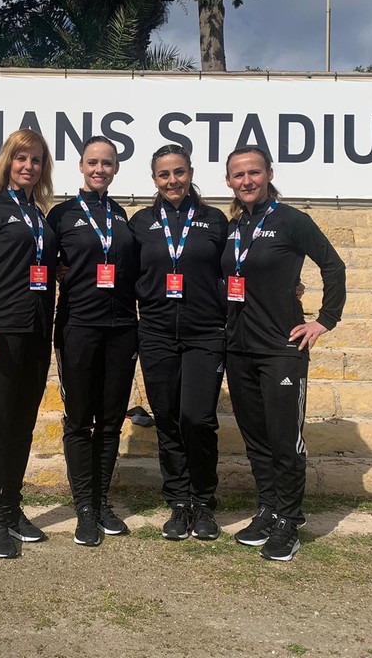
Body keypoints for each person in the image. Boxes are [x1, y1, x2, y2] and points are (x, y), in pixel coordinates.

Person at [222, 145, 346, 562]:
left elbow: (333, 265)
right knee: (256, 440)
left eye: (254, 172)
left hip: (281, 349)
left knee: (284, 440)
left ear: (269, 174)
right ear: (229, 182)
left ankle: (290, 521)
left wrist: (324, 320)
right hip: (238, 349)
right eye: (238, 175)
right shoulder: (233, 227)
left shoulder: (292, 221)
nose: (247, 181)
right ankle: (268, 510)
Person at [0, 128, 57, 559]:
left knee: (21, 427)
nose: (29, 166)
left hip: (36, 336)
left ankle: (12, 506)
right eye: (22, 158)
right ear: (8, 162)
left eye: (36, 160)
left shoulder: (40, 215)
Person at [130, 144, 228, 541]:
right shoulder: (140, 223)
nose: (173, 181)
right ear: (154, 179)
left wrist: (289, 286)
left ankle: (203, 501)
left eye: (179, 172)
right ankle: (178, 502)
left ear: (190, 172)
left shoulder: (216, 221)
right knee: (168, 419)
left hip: (205, 333)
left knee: (198, 419)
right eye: (164, 174)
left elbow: (242, 265)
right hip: (155, 333)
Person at [47, 136, 138, 547]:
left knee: (112, 420)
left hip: (121, 330)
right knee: (81, 421)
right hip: (77, 329)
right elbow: (35, 262)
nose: (99, 169)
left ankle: (102, 502)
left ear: (115, 168)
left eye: (107, 163)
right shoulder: (62, 214)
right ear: (81, 167)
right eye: (92, 162)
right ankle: (84, 506)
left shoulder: (121, 216)